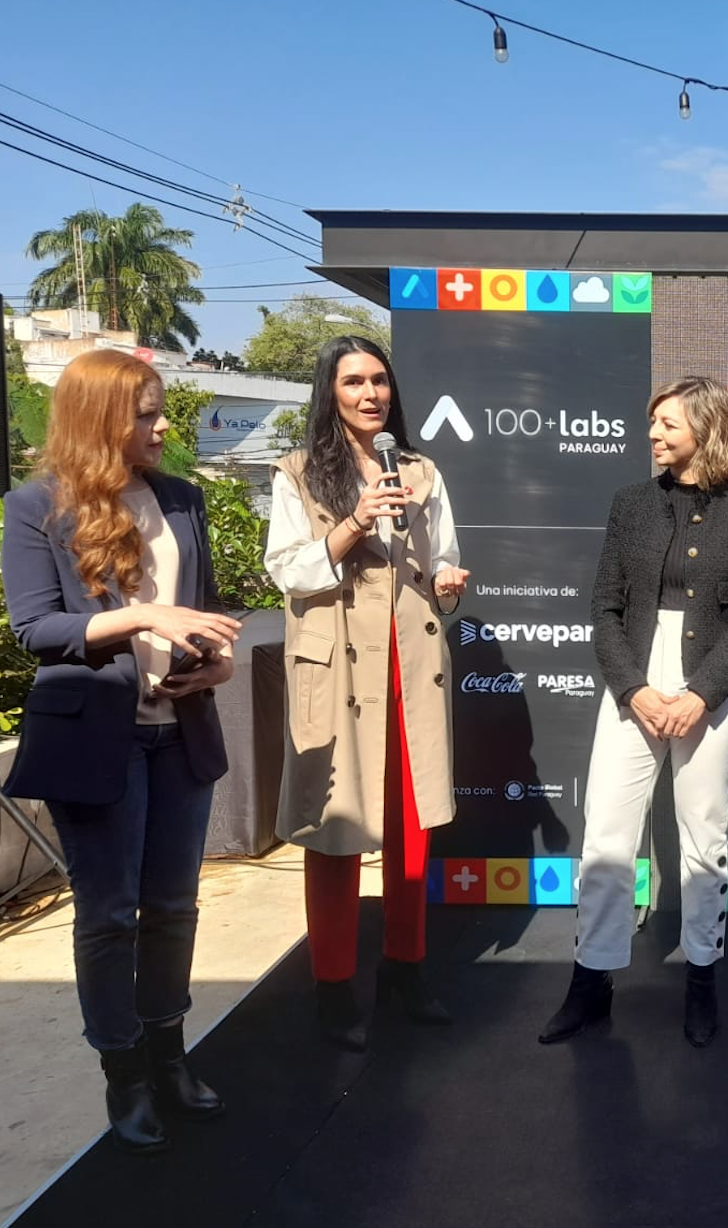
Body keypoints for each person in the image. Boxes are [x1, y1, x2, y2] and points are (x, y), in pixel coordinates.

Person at [1, 349, 242, 1154]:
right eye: (145, 412)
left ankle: (170, 1053)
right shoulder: (35, 506)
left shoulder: (182, 499)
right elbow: (36, 629)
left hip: (180, 731)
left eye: (160, 408)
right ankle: (124, 1073)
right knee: (110, 916)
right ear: (99, 419)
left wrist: (217, 659)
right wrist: (143, 621)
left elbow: (196, 612)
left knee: (174, 907)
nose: (163, 424)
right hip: (95, 738)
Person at [540, 375, 728, 1048]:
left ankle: (702, 982)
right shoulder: (630, 504)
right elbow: (604, 608)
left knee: (705, 840)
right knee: (608, 836)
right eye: (653, 424)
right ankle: (591, 984)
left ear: (705, 429)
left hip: (713, 685)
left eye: (667, 424)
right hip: (634, 683)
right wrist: (633, 688)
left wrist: (702, 693)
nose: (653, 435)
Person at [264, 336, 468, 1051]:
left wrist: (447, 578)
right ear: (331, 391)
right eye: (353, 381)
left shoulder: (417, 468)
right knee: (336, 828)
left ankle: (405, 970)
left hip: (409, 659)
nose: (370, 394)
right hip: (339, 667)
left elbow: (442, 550)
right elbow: (288, 572)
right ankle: (331, 985)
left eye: (379, 380)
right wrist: (353, 521)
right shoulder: (296, 473)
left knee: (412, 831)